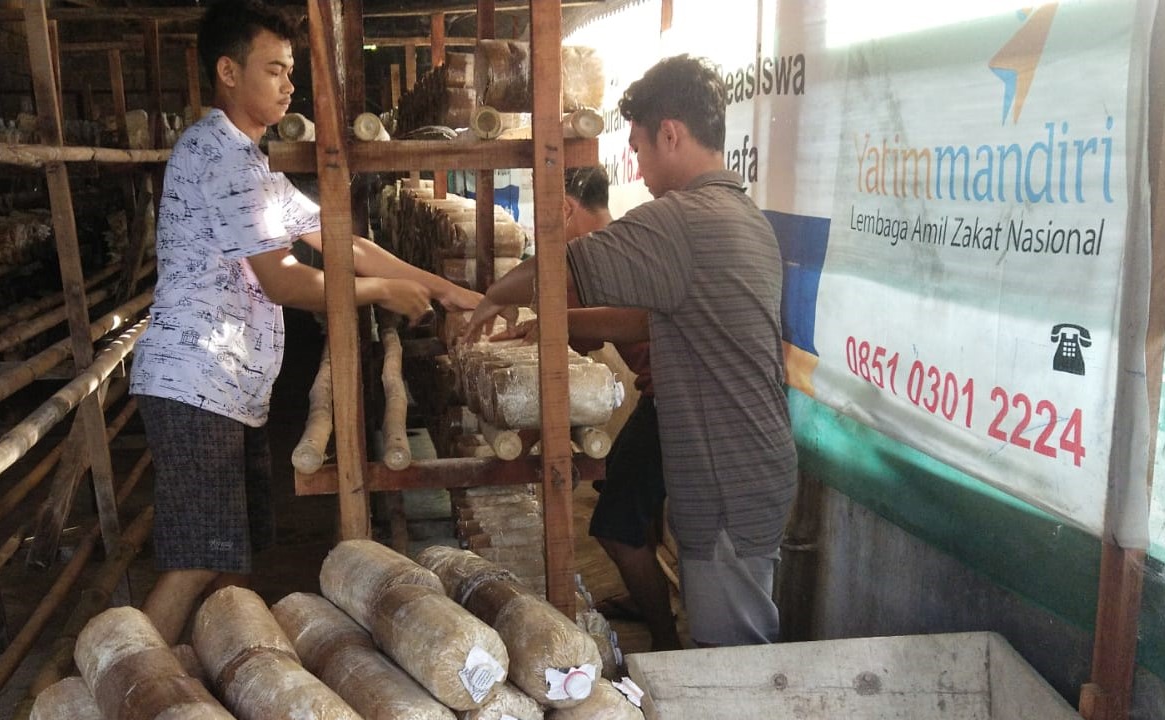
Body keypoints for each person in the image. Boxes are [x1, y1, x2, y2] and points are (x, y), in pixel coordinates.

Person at [130, 0, 481, 643]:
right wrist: (383, 292)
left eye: (291, 70)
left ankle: (212, 683)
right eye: (274, 69)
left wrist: (440, 287)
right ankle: (127, 689)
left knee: (227, 553)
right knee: (200, 556)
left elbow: (337, 238)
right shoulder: (223, 156)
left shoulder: (252, 165)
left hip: (227, 388)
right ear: (228, 72)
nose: (288, 84)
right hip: (196, 382)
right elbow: (284, 278)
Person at [466, 55, 796, 647]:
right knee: (730, 639)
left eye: (640, 150)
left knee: (734, 662)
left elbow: (564, 267)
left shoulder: (685, 219)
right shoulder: (743, 216)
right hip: (746, 467)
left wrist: (495, 295)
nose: (638, 171)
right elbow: (647, 320)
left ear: (670, 133)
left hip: (727, 480)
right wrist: (552, 325)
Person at [493, 165, 680, 651]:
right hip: (667, 392)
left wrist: (518, 444)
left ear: (565, 210)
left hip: (676, 399)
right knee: (626, 490)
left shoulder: (590, 259)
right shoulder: (624, 246)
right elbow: (587, 337)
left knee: (615, 525)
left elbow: (570, 348)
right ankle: (647, 599)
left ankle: (664, 641)